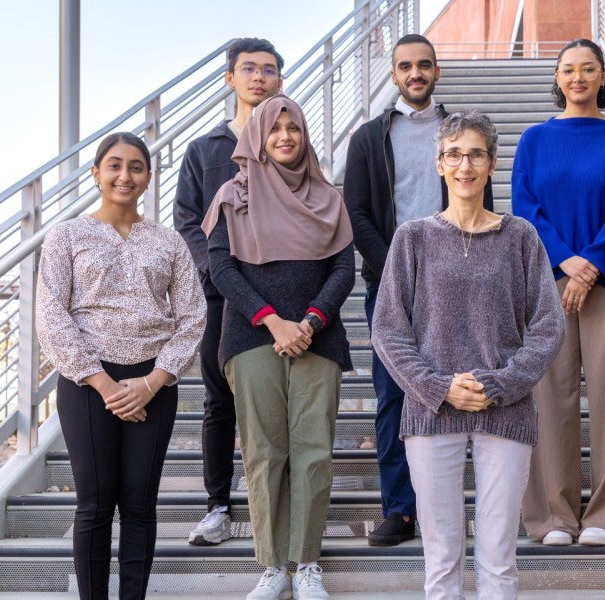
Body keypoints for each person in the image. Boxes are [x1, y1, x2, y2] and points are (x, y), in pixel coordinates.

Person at [372, 110, 564, 600]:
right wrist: (439, 387)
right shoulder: (412, 238)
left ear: (492, 163)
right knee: (441, 559)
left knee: (499, 558)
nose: (465, 164)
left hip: (505, 409)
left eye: (476, 154)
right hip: (432, 410)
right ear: (439, 164)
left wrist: (500, 383)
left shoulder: (520, 236)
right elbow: (389, 330)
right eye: (454, 154)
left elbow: (547, 325)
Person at [37, 132, 206, 600]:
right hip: (87, 381)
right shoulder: (66, 236)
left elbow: (193, 315)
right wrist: (105, 385)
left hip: (154, 380)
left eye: (135, 167)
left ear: (149, 177)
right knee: (94, 503)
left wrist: (154, 381)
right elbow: (51, 315)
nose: (124, 175)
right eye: (113, 165)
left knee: (138, 502)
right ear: (95, 173)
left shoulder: (168, 242)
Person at [343, 33, 493, 547]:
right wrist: (398, 268)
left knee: (462, 391)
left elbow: (481, 204)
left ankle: (449, 510)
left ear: (436, 71)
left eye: (424, 65)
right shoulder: (368, 138)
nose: (415, 73)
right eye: (405, 66)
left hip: (461, 281)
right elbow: (356, 213)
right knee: (392, 396)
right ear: (393, 74)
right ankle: (401, 510)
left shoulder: (463, 133)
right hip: (390, 285)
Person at [203, 95, 354, 600]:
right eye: (275, 129)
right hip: (250, 336)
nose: (286, 136)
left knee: (313, 452)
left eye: (294, 128)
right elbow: (222, 268)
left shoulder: (328, 197)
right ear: (258, 138)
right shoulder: (233, 195)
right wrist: (273, 322)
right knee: (265, 453)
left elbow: (342, 269)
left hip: (319, 335)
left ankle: (306, 561)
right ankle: (272, 566)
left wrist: (309, 320)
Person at [514, 38, 605, 547]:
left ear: (603, 76)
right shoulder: (533, 139)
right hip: (548, 280)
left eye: (588, 68)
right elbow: (525, 205)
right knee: (549, 396)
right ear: (556, 78)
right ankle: (553, 516)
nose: (577, 77)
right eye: (567, 69)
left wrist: (590, 267)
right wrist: (565, 261)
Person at [173, 37, 285, 547]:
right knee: (219, 402)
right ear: (230, 78)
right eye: (248, 69)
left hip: (280, 296)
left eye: (267, 69)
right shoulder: (204, 150)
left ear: (279, 80)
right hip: (220, 294)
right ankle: (219, 505)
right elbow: (187, 222)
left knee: (274, 403)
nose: (258, 77)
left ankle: (280, 506)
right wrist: (219, 273)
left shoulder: (288, 143)